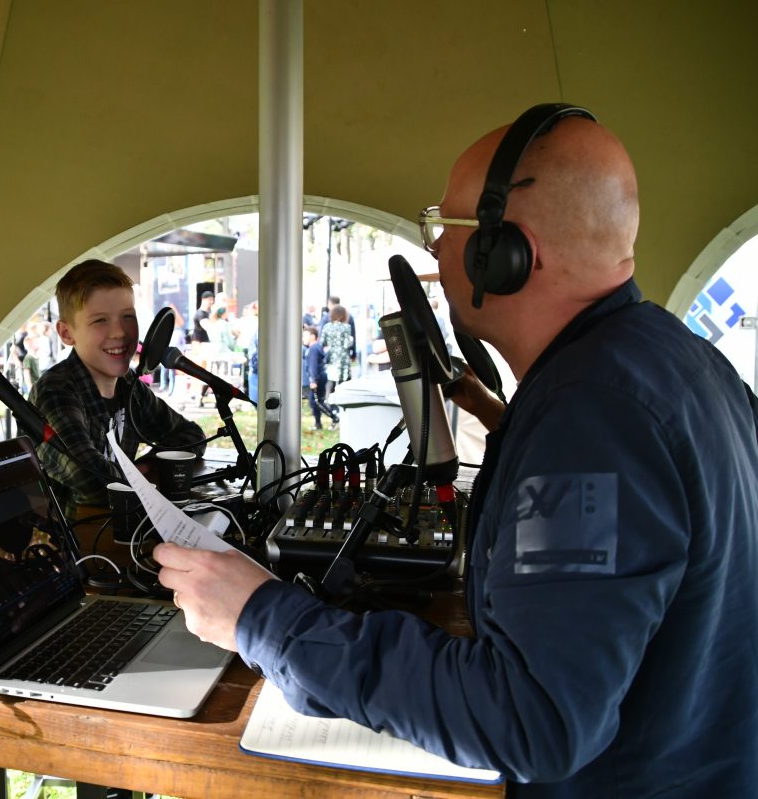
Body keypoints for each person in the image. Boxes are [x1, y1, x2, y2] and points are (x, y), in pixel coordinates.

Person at [154, 107, 758, 796]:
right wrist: (512, 428)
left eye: (448, 230)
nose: (436, 255)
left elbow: (535, 720)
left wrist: (263, 617)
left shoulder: (591, 421)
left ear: (505, 254)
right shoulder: (677, 361)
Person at [29, 259, 205, 518]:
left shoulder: (129, 386)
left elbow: (192, 435)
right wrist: (141, 475)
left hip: (122, 530)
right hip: (75, 542)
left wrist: (147, 464)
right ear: (67, 333)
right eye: (100, 320)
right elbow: (92, 481)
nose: (120, 332)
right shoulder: (56, 392)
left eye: (128, 317)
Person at [302, 326, 335, 430]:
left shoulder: (313, 349)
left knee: (316, 401)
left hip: (318, 377)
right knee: (315, 401)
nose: (303, 338)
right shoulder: (315, 347)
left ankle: (334, 418)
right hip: (320, 376)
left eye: (305, 336)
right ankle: (318, 424)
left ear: (312, 336)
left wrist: (313, 380)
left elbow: (313, 366)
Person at [319, 303, 354, 402]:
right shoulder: (346, 327)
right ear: (344, 315)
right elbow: (347, 343)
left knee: (331, 381)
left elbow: (322, 342)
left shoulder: (327, 326)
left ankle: (329, 402)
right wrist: (351, 340)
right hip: (343, 357)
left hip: (331, 357)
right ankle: (343, 401)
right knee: (344, 381)